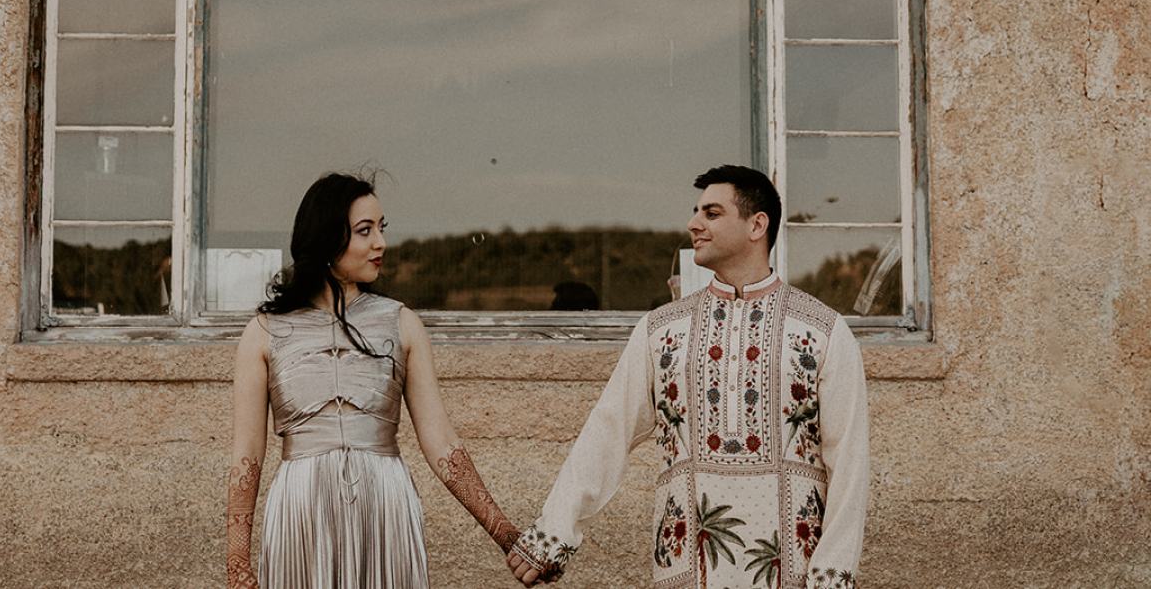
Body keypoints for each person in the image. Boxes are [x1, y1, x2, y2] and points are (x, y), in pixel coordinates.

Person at [507, 165, 869, 589]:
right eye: (696, 211)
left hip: (794, 572)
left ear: (757, 225)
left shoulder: (822, 331)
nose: (693, 224)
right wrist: (553, 533)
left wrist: (832, 573)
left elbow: (849, 461)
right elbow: (607, 432)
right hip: (686, 569)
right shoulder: (663, 329)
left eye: (712, 213)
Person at [226, 172, 520, 588]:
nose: (380, 243)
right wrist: (237, 566)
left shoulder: (403, 324)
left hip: (386, 503)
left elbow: (442, 443)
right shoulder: (264, 332)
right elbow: (247, 457)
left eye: (382, 228)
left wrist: (505, 534)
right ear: (327, 238)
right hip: (301, 508)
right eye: (365, 231)